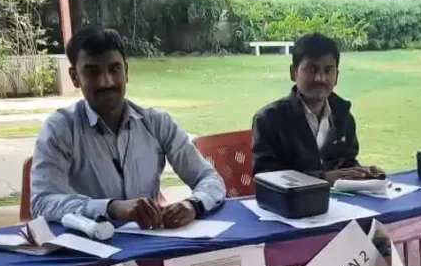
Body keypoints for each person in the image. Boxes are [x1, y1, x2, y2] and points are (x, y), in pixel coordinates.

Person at [30, 25, 224, 229]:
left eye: (114, 69)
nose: (106, 82)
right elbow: (42, 203)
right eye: (92, 72)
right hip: (91, 246)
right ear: (75, 77)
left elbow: (210, 179)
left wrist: (192, 205)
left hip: (148, 244)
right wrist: (111, 208)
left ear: (126, 71)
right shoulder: (60, 129)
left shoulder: (157, 123)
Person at [251, 33, 383, 183]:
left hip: (340, 202)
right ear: (293, 73)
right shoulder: (269, 120)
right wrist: (323, 179)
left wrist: (363, 173)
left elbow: (346, 161)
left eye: (328, 70)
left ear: (337, 76)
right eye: (312, 70)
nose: (320, 78)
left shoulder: (343, 116)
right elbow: (265, 178)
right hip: (291, 204)